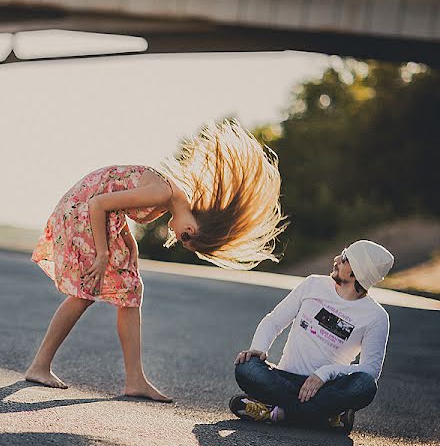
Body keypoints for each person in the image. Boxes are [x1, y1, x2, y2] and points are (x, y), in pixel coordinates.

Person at [25, 120, 286, 402]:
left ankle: (134, 380)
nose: (180, 238)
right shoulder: (163, 193)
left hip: (92, 214)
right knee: (86, 291)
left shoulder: (167, 199)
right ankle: (41, 366)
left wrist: (128, 243)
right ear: (197, 223)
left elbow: (115, 205)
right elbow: (97, 203)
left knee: (129, 292)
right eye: (188, 236)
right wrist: (102, 255)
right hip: (82, 211)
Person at [231, 240, 394, 433]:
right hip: (284, 381)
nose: (336, 259)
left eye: (344, 258)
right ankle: (323, 417)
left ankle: (275, 412)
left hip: (326, 388)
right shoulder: (313, 284)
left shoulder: (376, 316)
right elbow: (274, 321)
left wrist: (325, 373)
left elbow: (371, 370)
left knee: (365, 385)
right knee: (246, 368)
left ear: (355, 272)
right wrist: (259, 349)